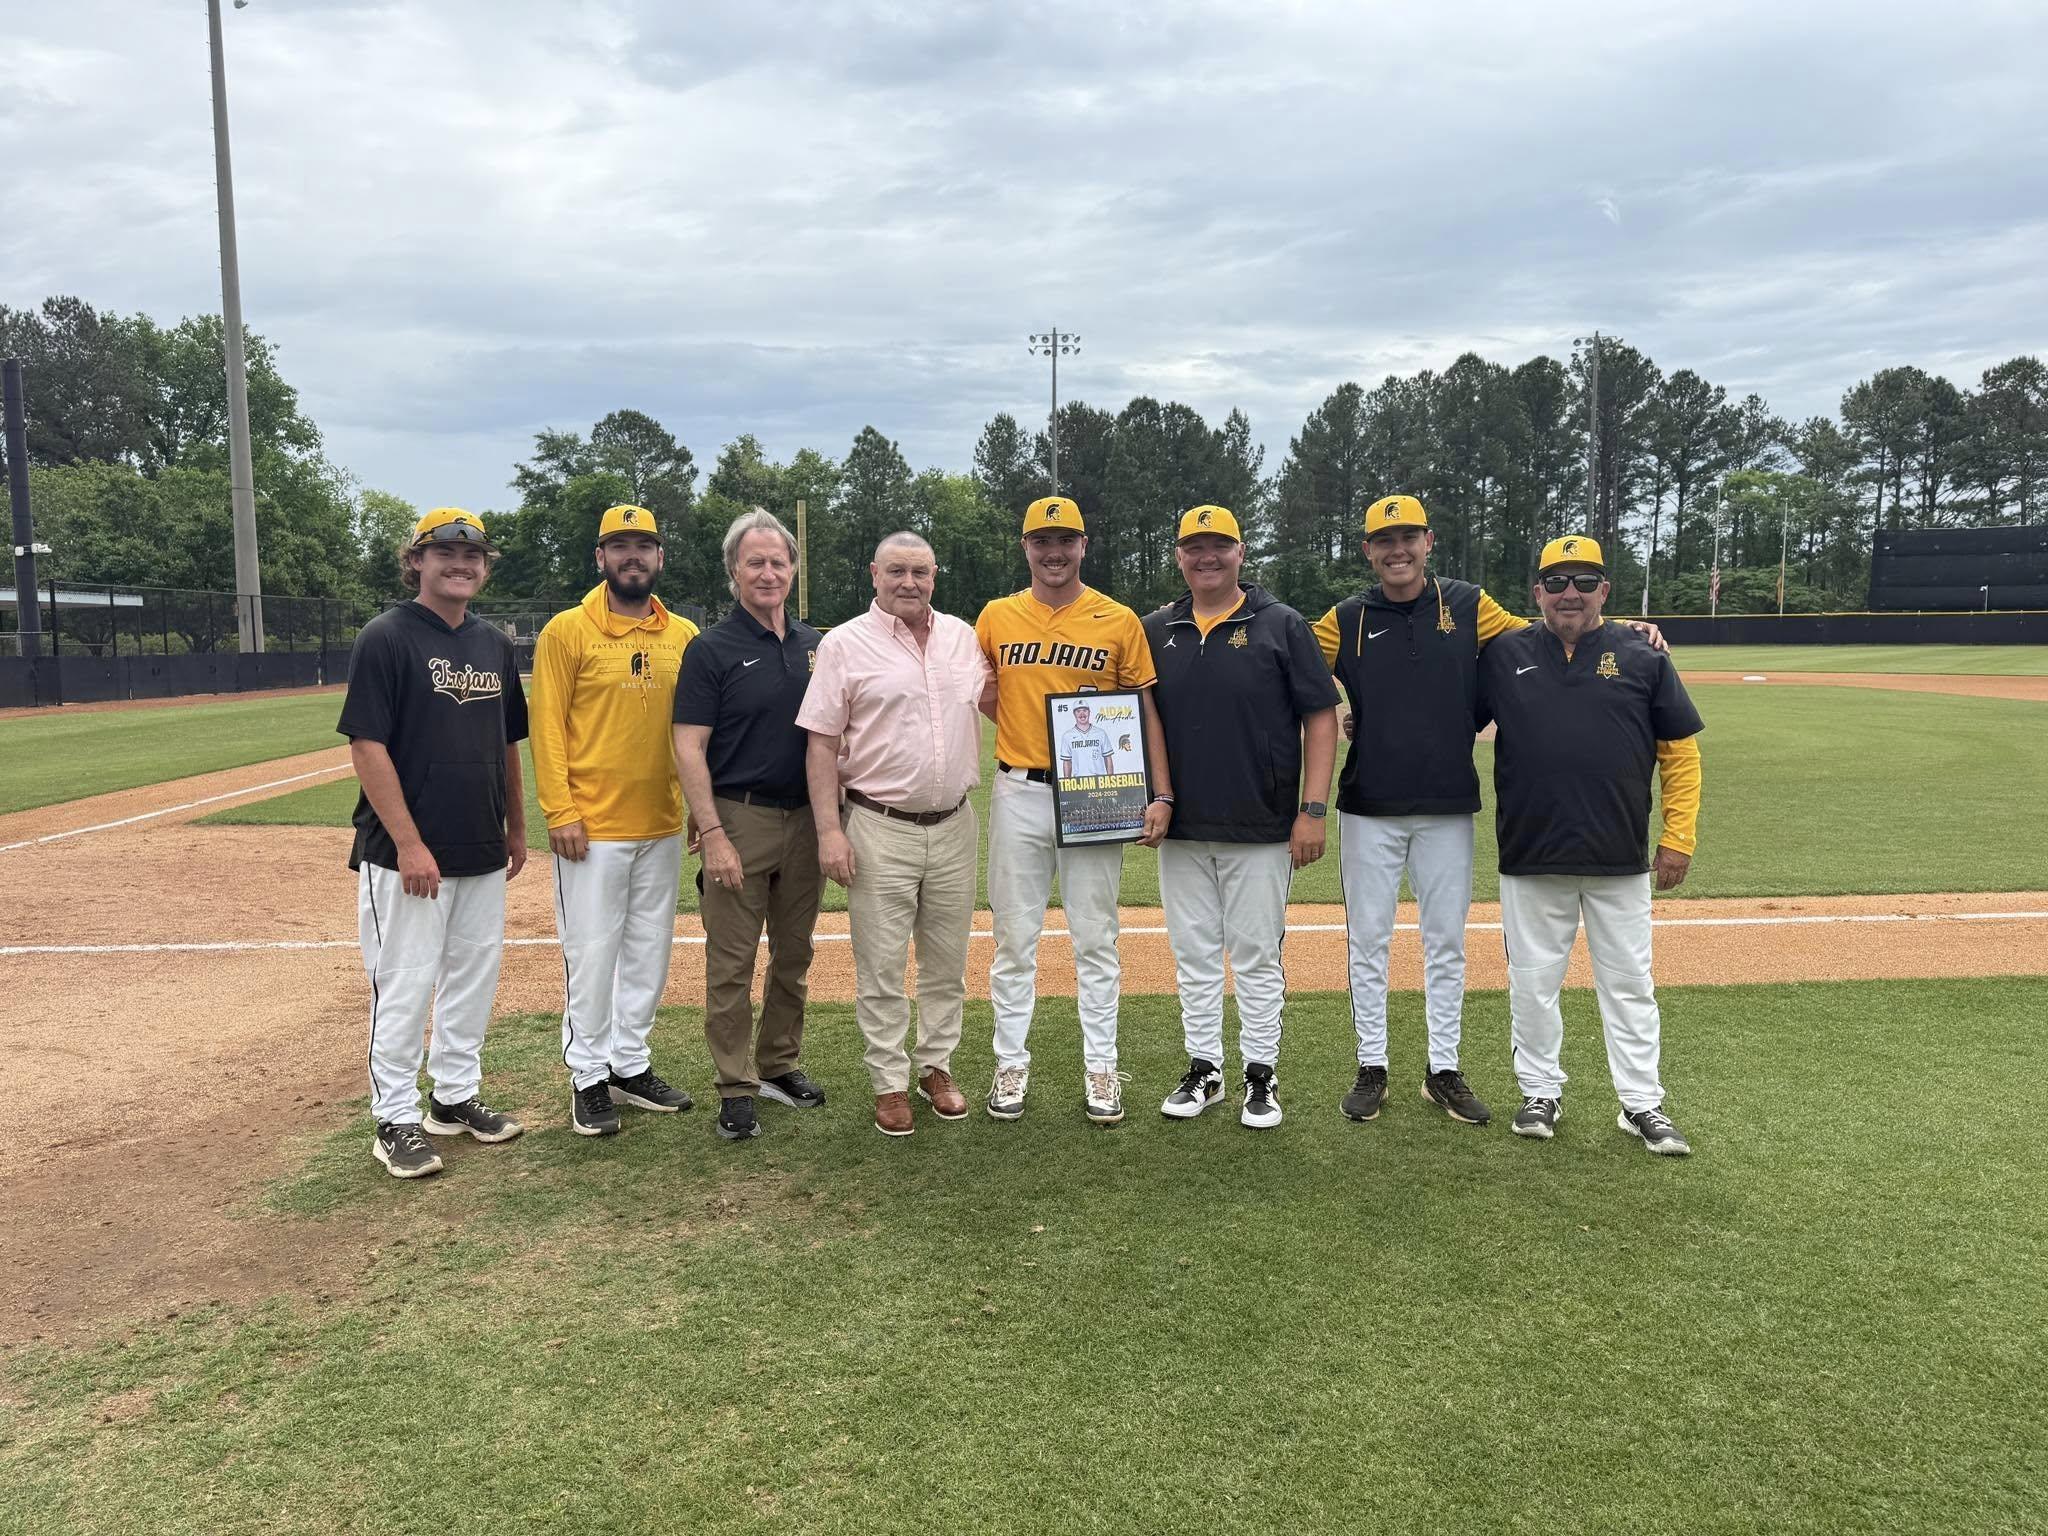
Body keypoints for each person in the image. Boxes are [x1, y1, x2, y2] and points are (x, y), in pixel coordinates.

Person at [1312, 495, 1666, 1127]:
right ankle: (1372, 1065)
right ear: (1366, 550)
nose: (1398, 549)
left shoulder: (1472, 606)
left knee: (1445, 942)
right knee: (1369, 940)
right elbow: (1289, 659)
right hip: (1368, 805)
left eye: (1409, 537)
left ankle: (1442, 1070)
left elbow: (1556, 630)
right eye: (1383, 540)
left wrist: (1629, 629)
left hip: (1448, 805)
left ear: (1429, 540)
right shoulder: (1346, 618)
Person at [1477, 535, 1703, 1155]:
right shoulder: (1504, 654)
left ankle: (1641, 1103)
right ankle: (1540, 1091)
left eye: (1583, 581)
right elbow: (1444, 718)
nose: (1568, 593)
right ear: (1537, 592)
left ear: (1605, 588)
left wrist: (1678, 837)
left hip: (1619, 854)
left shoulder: (1641, 653)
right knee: (1532, 982)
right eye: (1556, 582)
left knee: (1630, 982)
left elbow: (1679, 752)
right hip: (1531, 852)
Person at [339, 507, 528, 1180]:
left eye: (473, 555)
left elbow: (507, 742)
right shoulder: (386, 637)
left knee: (473, 979)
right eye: (445, 551)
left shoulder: (493, 644)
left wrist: (515, 825)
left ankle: (452, 1098)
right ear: (415, 560)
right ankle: (393, 1117)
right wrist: (411, 843)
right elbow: (368, 745)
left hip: (479, 843)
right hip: (406, 856)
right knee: (406, 983)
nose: (461, 563)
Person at [975, 495, 1172, 1125]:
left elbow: (1143, 712)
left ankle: (1102, 1067)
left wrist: (1157, 793)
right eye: (1041, 541)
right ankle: (1010, 1062)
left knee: (1095, 937)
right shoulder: (997, 617)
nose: (1054, 552)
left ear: (1084, 545)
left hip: (1094, 794)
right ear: (1025, 547)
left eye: (1066, 541)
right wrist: (1027, 734)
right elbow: (985, 693)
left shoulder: (1116, 619)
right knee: (1014, 937)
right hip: (1019, 791)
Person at [1144, 506, 1339, 1129]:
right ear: (1178, 555)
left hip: (1261, 822)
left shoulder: (1281, 624)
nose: (1207, 557)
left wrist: (1312, 810)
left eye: (1219, 546)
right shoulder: (1154, 629)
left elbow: (1320, 716)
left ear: (1241, 551)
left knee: (1256, 953)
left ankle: (1261, 1072)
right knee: (1194, 953)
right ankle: (1205, 1069)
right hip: (1181, 825)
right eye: (1194, 547)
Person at [797, 532, 991, 1137]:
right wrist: (830, 829)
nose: (910, 583)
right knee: (880, 963)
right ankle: (889, 1080)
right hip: (879, 823)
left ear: (936, 575)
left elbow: (1003, 705)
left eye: (921, 573)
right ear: (875, 574)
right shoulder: (845, 644)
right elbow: (822, 742)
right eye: (898, 572)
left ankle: (936, 1066)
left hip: (955, 822)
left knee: (946, 962)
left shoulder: (963, 637)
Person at [530, 504, 700, 1137]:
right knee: (592, 951)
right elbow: (545, 727)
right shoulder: (567, 631)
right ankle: (588, 1075)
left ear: (660, 557)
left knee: (648, 951)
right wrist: (560, 810)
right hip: (591, 827)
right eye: (619, 545)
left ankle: (631, 1063)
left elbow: (688, 729)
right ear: (599, 558)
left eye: (644, 545)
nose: (633, 556)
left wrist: (691, 804)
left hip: (659, 819)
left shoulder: (681, 633)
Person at [673, 508, 826, 1142]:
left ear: (794, 569)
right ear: (734, 571)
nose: (768, 572)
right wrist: (711, 833)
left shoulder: (819, 645)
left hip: (810, 821)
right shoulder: (711, 648)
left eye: (778, 562)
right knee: (731, 964)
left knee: (793, 955)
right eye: (755, 562)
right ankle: (735, 1086)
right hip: (740, 814)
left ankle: (779, 1065)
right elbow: (688, 746)